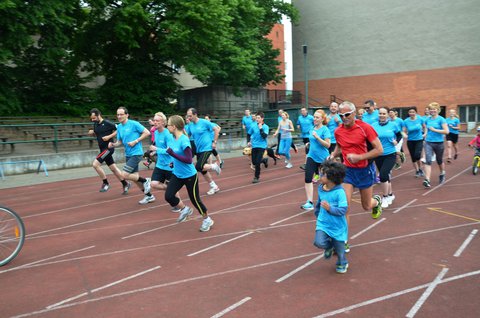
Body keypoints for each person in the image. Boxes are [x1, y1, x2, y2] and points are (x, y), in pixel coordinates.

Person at [329, 101, 383, 232]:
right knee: (344, 207)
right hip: (347, 171)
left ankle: (376, 201)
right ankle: (343, 240)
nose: (344, 118)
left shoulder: (365, 128)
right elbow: (340, 146)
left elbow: (379, 150)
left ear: (354, 113)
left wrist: (359, 157)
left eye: (347, 114)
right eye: (341, 115)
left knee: (366, 206)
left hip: (365, 170)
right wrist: (333, 155)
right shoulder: (338, 131)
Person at [164, 115, 214, 232]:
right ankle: (185, 209)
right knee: (169, 196)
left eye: (168, 125)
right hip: (177, 174)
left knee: (195, 200)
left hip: (190, 176)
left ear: (174, 126)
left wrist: (172, 154)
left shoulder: (184, 140)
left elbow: (188, 159)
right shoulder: (172, 138)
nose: (167, 127)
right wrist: (172, 163)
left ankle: (207, 219)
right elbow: (176, 155)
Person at [108, 106, 153, 198]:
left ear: (127, 115)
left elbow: (147, 132)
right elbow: (119, 142)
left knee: (124, 175)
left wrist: (135, 141)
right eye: (118, 115)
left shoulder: (134, 124)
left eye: (121, 114)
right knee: (135, 178)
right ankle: (149, 196)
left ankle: (145, 181)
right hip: (128, 154)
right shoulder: (119, 127)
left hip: (136, 153)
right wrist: (113, 144)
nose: (119, 116)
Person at [313, 160, 349, 274]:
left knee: (340, 251)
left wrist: (330, 209)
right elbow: (319, 201)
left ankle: (342, 262)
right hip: (323, 223)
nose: (320, 176)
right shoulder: (320, 188)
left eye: (323, 174)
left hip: (337, 225)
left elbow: (343, 210)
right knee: (319, 242)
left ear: (332, 178)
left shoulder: (340, 192)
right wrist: (317, 212)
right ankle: (329, 247)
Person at [140, 112, 181, 208]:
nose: (155, 122)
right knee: (153, 184)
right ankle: (171, 190)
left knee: (172, 188)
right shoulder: (156, 133)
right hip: (160, 164)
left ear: (163, 122)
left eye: (157, 121)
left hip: (169, 165)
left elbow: (170, 151)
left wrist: (157, 150)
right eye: (154, 120)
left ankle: (178, 204)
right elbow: (160, 147)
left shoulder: (168, 134)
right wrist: (154, 152)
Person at [88, 108, 129, 193]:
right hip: (102, 149)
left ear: (98, 115)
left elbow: (119, 129)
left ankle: (105, 183)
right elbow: (99, 134)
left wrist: (109, 136)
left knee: (95, 164)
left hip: (108, 148)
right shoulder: (95, 124)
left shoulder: (107, 123)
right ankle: (125, 183)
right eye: (91, 118)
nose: (93, 120)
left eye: (94, 118)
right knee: (113, 168)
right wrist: (93, 133)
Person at [185, 108, 222, 195]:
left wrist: (214, 142)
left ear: (195, 114)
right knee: (202, 170)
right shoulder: (190, 125)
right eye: (188, 116)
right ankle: (214, 186)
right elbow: (188, 136)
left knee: (198, 167)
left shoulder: (204, 122)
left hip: (207, 148)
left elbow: (216, 129)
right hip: (199, 149)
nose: (189, 118)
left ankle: (214, 166)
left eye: (190, 116)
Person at [301, 109, 331, 210]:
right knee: (308, 178)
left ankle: (327, 200)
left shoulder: (325, 129)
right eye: (314, 117)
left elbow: (328, 145)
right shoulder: (312, 128)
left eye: (317, 117)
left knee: (325, 180)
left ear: (322, 119)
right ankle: (309, 202)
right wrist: (309, 143)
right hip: (311, 156)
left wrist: (317, 137)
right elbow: (312, 140)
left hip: (323, 158)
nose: (315, 119)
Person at [372, 107, 400, 208]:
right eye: (380, 113)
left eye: (384, 114)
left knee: (383, 175)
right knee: (386, 177)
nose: (382, 115)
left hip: (390, 154)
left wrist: (396, 141)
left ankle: (385, 197)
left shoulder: (393, 125)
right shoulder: (374, 126)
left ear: (388, 115)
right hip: (378, 154)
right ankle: (391, 195)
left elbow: (399, 135)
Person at [422, 102, 449, 188]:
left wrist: (435, 130)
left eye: (434, 109)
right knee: (428, 160)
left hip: (439, 143)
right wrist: (425, 134)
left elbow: (446, 131)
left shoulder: (441, 119)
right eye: (431, 109)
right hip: (428, 142)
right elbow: (426, 128)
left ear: (438, 110)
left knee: (439, 160)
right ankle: (427, 180)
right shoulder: (427, 119)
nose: (432, 111)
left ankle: (442, 173)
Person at [403, 106, 426, 177]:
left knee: (417, 155)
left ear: (416, 112)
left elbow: (425, 127)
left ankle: (420, 168)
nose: (411, 113)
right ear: (408, 113)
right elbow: (403, 131)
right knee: (413, 157)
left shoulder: (420, 119)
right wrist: (404, 135)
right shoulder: (406, 121)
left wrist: (425, 134)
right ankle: (417, 171)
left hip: (419, 139)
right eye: (410, 112)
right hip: (410, 141)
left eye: (413, 112)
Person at [248, 111, 269, 183]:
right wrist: (248, 141)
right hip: (254, 146)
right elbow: (248, 134)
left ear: (262, 118)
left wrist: (261, 129)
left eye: (258, 118)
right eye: (256, 118)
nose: (257, 119)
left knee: (257, 163)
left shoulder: (266, 127)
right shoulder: (253, 126)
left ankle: (256, 177)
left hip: (262, 146)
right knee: (254, 162)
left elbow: (264, 136)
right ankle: (264, 160)